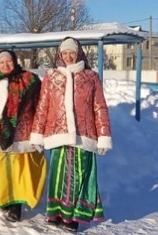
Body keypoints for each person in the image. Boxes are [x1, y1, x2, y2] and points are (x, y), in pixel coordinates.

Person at [29, 37, 112, 232]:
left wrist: (104, 136)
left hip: (84, 135)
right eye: (64, 53)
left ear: (79, 54)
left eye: (72, 53)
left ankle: (73, 217)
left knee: (77, 176)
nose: (68, 57)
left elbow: (99, 106)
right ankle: (57, 213)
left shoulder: (91, 77)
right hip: (57, 134)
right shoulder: (51, 77)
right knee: (58, 176)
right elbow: (43, 107)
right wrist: (37, 134)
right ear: (59, 54)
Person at [0, 49, 47, 222]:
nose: (6, 65)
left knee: (19, 172)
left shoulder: (29, 81)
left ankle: (16, 206)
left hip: (21, 135)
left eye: (9, 61)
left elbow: (40, 108)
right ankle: (1, 201)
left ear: (15, 61)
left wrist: (38, 132)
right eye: (2, 63)